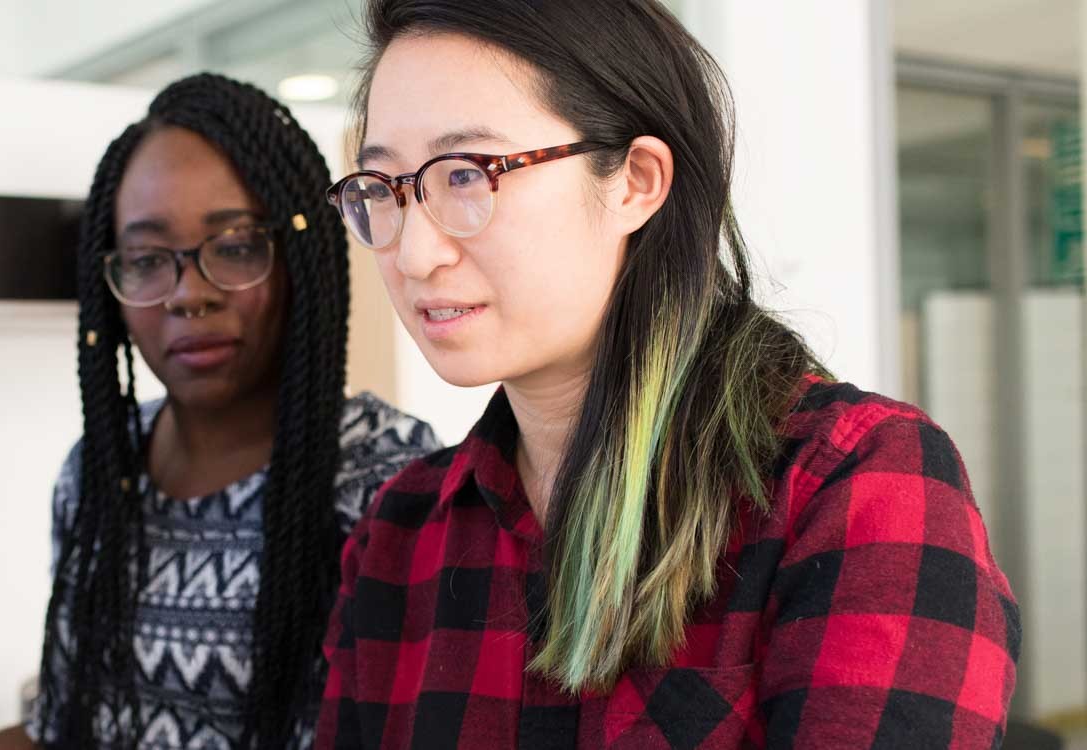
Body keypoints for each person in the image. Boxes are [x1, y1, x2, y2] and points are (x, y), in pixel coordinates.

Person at [314, 1, 1019, 747]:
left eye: (466, 174)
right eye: (384, 188)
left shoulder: (850, 484)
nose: (416, 255)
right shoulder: (401, 531)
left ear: (636, 182)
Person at [0, 74, 439, 750]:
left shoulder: (388, 484)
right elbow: (66, 723)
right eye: (148, 260)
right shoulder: (100, 469)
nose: (188, 295)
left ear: (299, 257)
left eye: (236, 246)